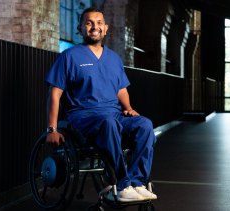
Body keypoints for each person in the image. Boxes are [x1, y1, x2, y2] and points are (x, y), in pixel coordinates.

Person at [44, 7, 157, 202]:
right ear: (80, 28)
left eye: (98, 23)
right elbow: (55, 94)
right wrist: (51, 129)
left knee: (145, 124)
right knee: (109, 123)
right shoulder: (69, 57)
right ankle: (122, 184)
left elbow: (121, 90)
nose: (94, 27)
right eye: (88, 23)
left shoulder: (114, 59)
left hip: (113, 116)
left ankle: (138, 182)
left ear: (105, 28)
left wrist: (128, 109)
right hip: (84, 118)